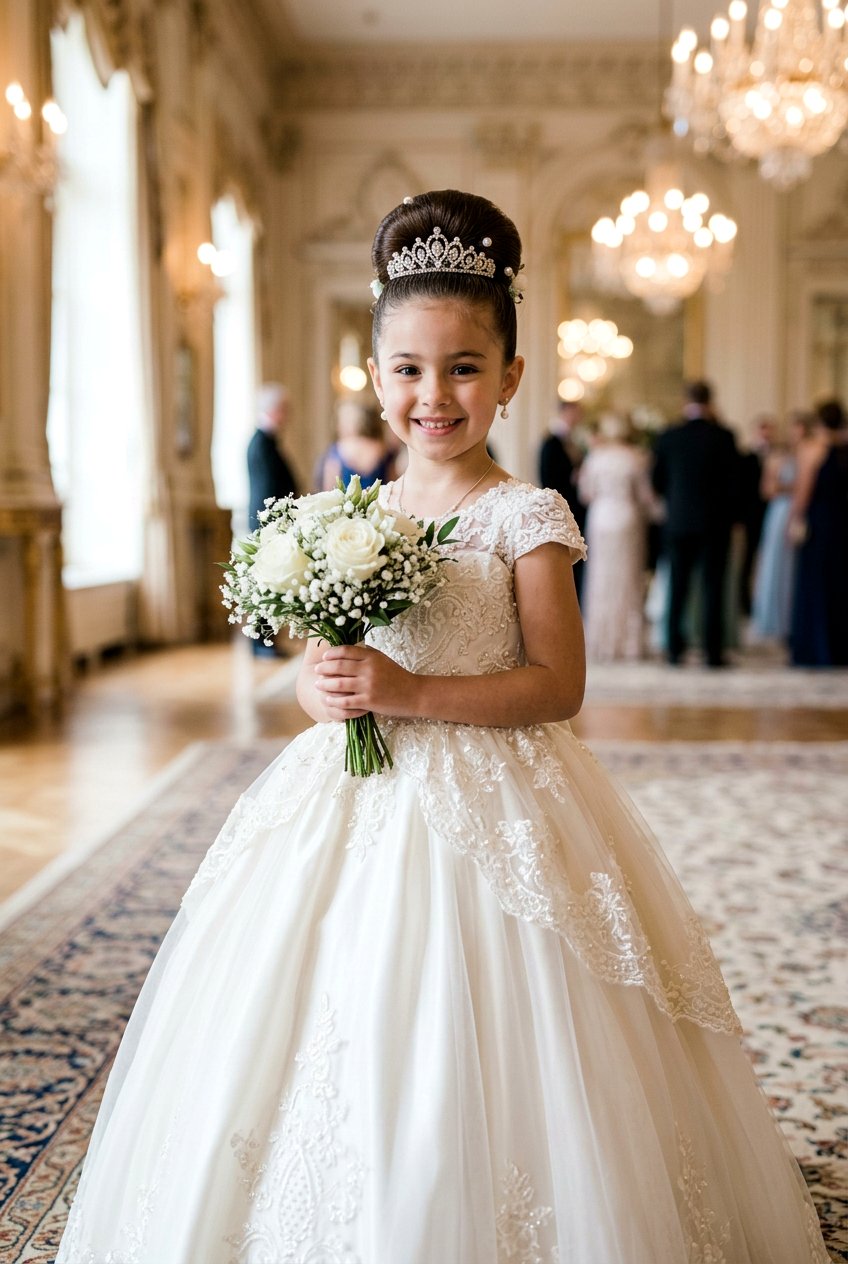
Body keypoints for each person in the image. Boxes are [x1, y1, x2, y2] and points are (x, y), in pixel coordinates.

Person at [56, 190, 828, 1264]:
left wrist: (406, 693)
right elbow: (320, 669)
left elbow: (557, 685)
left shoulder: (525, 517)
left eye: (464, 368)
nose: (434, 394)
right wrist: (326, 690)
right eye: (409, 369)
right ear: (376, 378)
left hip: (499, 791)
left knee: (510, 1020)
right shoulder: (349, 515)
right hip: (351, 797)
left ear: (510, 376)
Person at [652, 380, 740, 667]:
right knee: (713, 587)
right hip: (715, 523)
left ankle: (674, 650)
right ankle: (713, 652)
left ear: (685, 401)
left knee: (677, 586)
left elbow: (657, 481)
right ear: (710, 401)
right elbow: (734, 483)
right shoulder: (724, 436)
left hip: (678, 522)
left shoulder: (669, 435)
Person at [577, 412, 659, 661]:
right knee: (628, 577)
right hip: (627, 517)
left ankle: (602, 641)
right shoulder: (635, 458)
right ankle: (628, 644)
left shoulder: (595, 458)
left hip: (601, 517)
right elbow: (645, 496)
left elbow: (585, 494)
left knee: (601, 577)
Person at [790, 397, 848, 666]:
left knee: (815, 584)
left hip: (819, 523)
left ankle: (815, 648)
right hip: (842, 524)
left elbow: (803, 492)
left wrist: (794, 520)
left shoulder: (812, 449)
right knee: (839, 584)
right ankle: (838, 647)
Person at [751, 411, 813, 643]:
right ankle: (776, 619)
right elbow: (767, 490)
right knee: (777, 564)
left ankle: (797, 618)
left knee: (798, 567)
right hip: (780, 514)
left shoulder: (812, 454)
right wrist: (795, 488)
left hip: (805, 513)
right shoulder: (778, 457)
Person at [247, 382, 298, 656]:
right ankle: (261, 641)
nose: (287, 415)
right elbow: (268, 488)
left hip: (270, 521)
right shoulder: (262, 443)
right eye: (284, 409)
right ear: (274, 410)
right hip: (266, 522)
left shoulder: (268, 441)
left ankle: (267, 640)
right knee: (265, 581)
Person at [539, 398, 586, 597]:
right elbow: (547, 479)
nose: (578, 417)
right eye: (575, 413)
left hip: (577, 509)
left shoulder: (575, 441)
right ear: (565, 413)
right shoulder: (550, 443)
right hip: (561, 508)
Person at [316, 398, 396, 491]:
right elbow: (393, 486)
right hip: (381, 500)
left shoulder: (336, 451)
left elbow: (329, 491)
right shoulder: (383, 449)